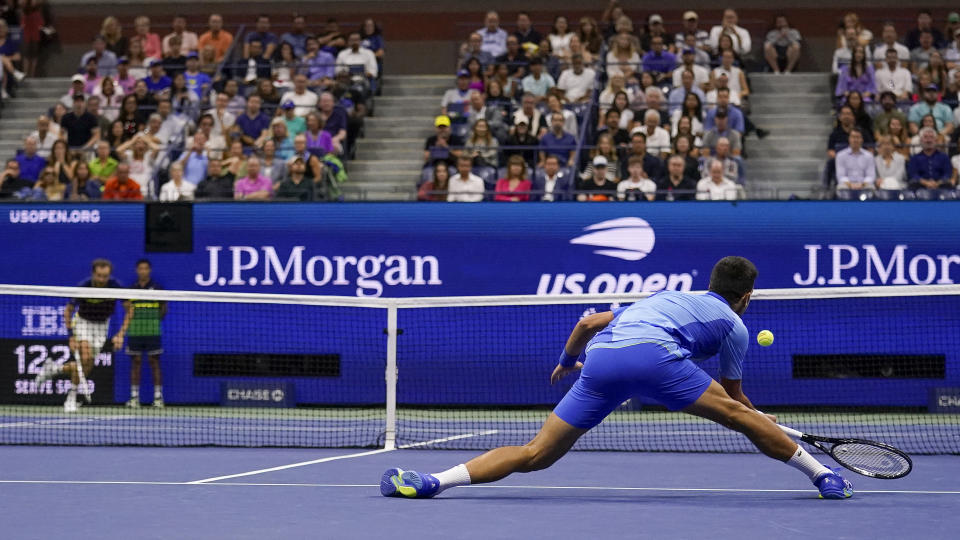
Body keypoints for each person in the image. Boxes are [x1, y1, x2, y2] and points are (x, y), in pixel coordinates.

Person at [381, 257, 854, 498]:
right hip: (655, 361)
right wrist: (754, 416)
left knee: (535, 454)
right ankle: (824, 476)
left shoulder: (661, 296)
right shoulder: (735, 326)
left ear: (711, 283)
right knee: (740, 418)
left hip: (602, 361)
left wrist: (568, 362)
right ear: (746, 296)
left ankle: (432, 482)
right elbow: (734, 399)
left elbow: (588, 325)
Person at [35, 259, 132, 413]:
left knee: (87, 365)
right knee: (85, 358)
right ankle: (71, 398)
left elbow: (129, 310)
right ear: (93, 273)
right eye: (99, 276)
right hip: (83, 322)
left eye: (105, 276)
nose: (102, 280)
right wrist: (71, 336)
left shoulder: (115, 286)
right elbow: (68, 311)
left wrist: (120, 334)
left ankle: (54, 369)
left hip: (102, 326)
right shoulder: (84, 286)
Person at [124, 259, 166, 408]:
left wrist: (154, 321)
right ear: (137, 270)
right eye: (140, 269)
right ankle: (134, 398)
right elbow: (127, 309)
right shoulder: (131, 289)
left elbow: (164, 308)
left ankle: (158, 398)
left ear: (149, 270)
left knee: (154, 363)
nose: (143, 271)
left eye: (146, 268)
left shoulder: (157, 288)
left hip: (153, 332)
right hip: (135, 332)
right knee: (135, 364)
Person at [907, 127, 952, 191]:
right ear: (921, 140)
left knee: (948, 184)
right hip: (920, 187)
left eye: (931, 137)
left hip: (940, 186)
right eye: (925, 137)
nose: (929, 140)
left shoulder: (944, 157)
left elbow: (947, 174)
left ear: (936, 140)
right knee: (913, 184)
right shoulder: (914, 158)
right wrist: (926, 183)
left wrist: (937, 183)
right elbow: (913, 174)